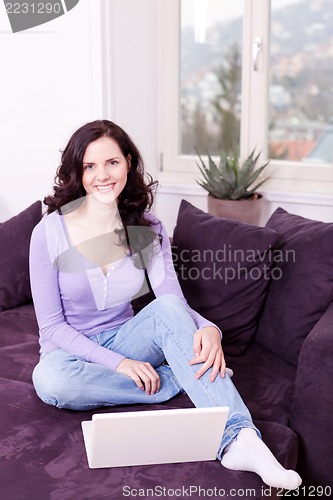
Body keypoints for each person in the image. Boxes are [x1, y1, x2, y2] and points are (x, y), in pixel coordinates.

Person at [29, 119, 301, 490]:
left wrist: (209, 328)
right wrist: (120, 364)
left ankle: (241, 439)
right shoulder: (49, 231)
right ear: (77, 172)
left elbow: (170, 299)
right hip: (71, 355)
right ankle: (178, 378)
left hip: (129, 337)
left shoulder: (148, 227)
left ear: (128, 163)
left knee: (168, 312)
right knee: (49, 381)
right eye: (89, 166)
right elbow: (52, 327)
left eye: (111, 162)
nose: (102, 175)